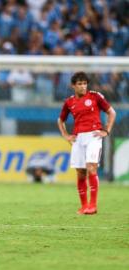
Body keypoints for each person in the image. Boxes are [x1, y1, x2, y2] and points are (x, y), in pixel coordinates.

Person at [57, 71, 116, 215]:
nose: (83, 87)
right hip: (78, 138)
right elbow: (60, 120)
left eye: (85, 83)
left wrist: (106, 130)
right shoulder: (69, 102)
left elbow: (111, 112)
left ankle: (93, 205)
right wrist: (66, 135)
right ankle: (84, 206)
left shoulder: (95, 96)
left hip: (94, 135)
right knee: (80, 172)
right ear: (73, 86)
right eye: (80, 84)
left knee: (91, 168)